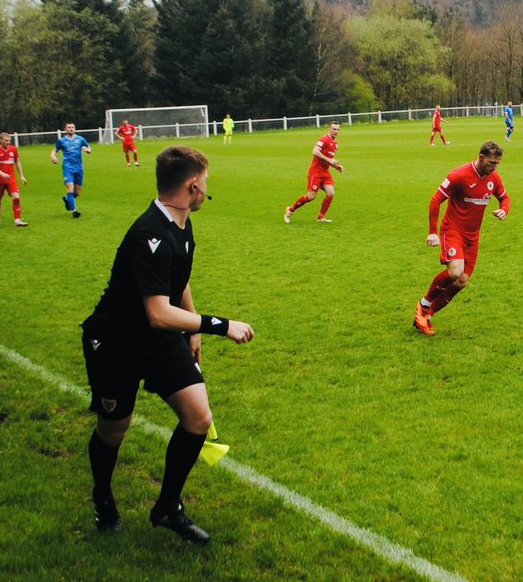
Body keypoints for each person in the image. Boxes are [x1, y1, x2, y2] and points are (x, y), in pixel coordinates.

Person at [81, 145, 254, 544]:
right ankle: (103, 497)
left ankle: (167, 507)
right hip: (116, 342)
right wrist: (218, 325)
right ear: (192, 186)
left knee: (198, 417)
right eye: (205, 182)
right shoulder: (148, 233)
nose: (207, 190)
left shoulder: (181, 221)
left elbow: (178, 279)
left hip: (160, 340)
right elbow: (158, 311)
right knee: (114, 429)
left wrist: (191, 331)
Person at [413, 141, 511, 336]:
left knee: (461, 282)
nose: (494, 167)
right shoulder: (459, 175)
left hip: (472, 236)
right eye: (492, 163)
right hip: (453, 231)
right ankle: (423, 305)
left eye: (497, 164)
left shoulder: (494, 178)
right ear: (481, 157)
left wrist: (504, 210)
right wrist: (433, 232)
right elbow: (435, 200)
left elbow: (505, 198)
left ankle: (427, 317)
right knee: (455, 272)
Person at [284, 122, 343, 223]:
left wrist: (336, 166)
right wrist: (330, 161)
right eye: (334, 129)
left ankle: (321, 217)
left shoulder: (335, 144)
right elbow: (315, 151)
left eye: (337, 129)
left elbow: (328, 159)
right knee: (311, 196)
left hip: (325, 173)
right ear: (329, 129)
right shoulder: (324, 139)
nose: (336, 131)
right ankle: (290, 210)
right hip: (315, 172)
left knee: (331, 193)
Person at [51, 122, 91, 218]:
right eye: (69, 127)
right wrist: (53, 156)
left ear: (75, 129)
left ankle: (67, 199)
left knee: (77, 193)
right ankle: (74, 211)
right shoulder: (62, 141)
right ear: (66, 129)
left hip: (79, 168)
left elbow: (89, 148)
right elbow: (54, 150)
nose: (71, 129)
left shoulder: (80, 139)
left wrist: (88, 150)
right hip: (68, 168)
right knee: (70, 188)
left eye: (72, 127)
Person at [0, 132, 29, 227]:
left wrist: (22, 176)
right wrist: (2, 174)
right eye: (6, 140)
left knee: (16, 197)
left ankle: (17, 220)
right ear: (1, 140)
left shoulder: (13, 149)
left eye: (9, 140)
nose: (8, 142)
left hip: (11, 179)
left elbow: (17, 162)